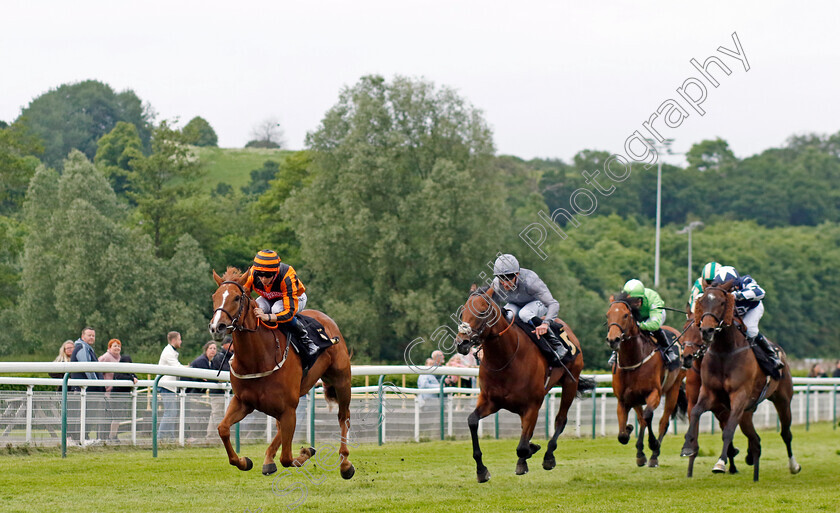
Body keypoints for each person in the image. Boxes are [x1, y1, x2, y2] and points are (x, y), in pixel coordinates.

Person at [490, 253, 567, 366]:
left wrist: (546, 323)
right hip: (515, 304)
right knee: (507, 316)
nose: (505, 283)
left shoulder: (530, 281)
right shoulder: (496, 283)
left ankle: (556, 345)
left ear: (517, 274)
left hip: (537, 303)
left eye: (509, 278)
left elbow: (553, 303)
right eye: (501, 278)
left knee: (524, 314)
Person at [710, 266, 783, 370]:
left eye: (730, 288)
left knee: (750, 330)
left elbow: (761, 292)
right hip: (736, 314)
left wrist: (738, 295)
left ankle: (771, 355)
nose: (727, 291)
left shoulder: (746, 281)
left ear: (735, 283)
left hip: (752, 309)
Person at [246, 249, 317, 355]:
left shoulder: (287, 276)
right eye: (260, 275)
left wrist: (268, 317)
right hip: (269, 297)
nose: (263, 279)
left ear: (275, 272)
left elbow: (288, 312)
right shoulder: (252, 274)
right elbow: (242, 295)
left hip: (295, 298)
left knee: (277, 309)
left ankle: (306, 339)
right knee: (255, 308)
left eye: (268, 275)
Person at [615, 279, 677, 366]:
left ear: (642, 297)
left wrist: (640, 325)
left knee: (653, 330)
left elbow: (655, 325)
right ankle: (615, 353)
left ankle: (668, 350)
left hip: (652, 315)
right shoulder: (625, 302)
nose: (635, 303)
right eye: (631, 301)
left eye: (637, 299)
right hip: (637, 317)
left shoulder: (653, 299)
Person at [98, 339, 137, 443]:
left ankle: (112, 436)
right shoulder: (106, 357)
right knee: (108, 416)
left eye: (119, 346)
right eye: (115, 346)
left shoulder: (121, 358)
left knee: (116, 416)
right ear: (109, 347)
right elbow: (97, 369)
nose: (117, 348)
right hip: (108, 390)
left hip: (117, 390)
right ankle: (105, 437)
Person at [69, 327, 104, 445]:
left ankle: (82, 438)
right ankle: (82, 439)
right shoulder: (82, 348)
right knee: (85, 414)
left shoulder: (86, 348)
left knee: (85, 414)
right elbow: (88, 369)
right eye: (89, 335)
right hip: (85, 389)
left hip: (85, 388)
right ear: (83, 336)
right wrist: (97, 384)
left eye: (93, 335)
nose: (92, 338)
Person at [157, 331, 190, 442]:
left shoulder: (170, 351)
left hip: (169, 386)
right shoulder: (168, 352)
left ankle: (170, 438)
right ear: (174, 340)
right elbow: (177, 367)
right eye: (179, 339)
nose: (181, 342)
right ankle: (159, 438)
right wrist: (190, 370)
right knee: (170, 412)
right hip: (167, 386)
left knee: (172, 412)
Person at [190, 341, 223, 439]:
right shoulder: (202, 361)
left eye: (214, 348)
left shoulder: (210, 361)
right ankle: (192, 436)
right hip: (190, 391)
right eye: (210, 348)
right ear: (206, 349)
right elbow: (206, 378)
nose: (213, 350)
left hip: (197, 391)